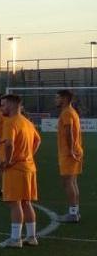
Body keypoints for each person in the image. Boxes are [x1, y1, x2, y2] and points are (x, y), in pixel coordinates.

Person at [0, 94, 41, 247]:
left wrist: (8, 161)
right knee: (26, 202)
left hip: (16, 168)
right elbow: (37, 140)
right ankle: (31, 237)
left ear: (11, 105)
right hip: (29, 167)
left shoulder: (10, 122)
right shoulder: (27, 122)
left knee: (14, 203)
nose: (2, 108)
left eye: (3, 105)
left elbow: (10, 145)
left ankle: (15, 239)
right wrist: (27, 155)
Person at [56, 89, 84, 222]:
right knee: (72, 182)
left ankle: (73, 213)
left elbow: (69, 133)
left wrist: (71, 150)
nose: (55, 100)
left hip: (69, 153)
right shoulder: (71, 112)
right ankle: (75, 212)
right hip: (74, 151)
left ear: (65, 99)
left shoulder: (67, 112)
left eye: (58, 98)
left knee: (68, 182)